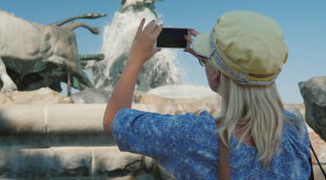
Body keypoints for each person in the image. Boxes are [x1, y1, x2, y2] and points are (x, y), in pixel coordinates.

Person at [103, 11, 312, 179]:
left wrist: (134, 59)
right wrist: (213, 60)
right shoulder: (295, 128)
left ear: (216, 74)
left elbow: (113, 121)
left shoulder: (194, 134)